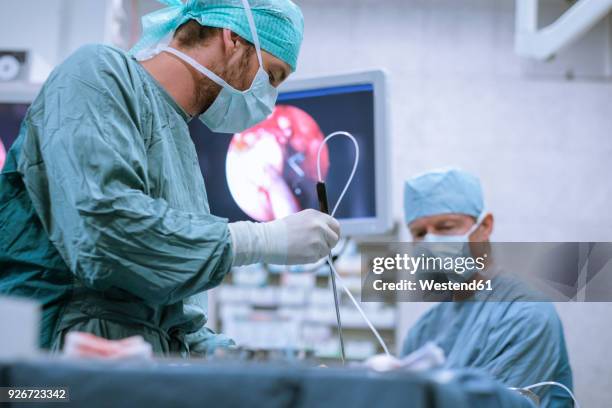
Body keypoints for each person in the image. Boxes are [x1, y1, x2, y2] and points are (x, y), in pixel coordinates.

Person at [0, 0, 340, 356]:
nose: (269, 99)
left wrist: (249, 366)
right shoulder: (97, 74)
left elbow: (173, 322)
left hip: (132, 373)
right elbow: (103, 233)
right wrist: (259, 239)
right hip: (57, 371)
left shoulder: (179, 146)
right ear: (233, 39)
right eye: (271, 75)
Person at [401, 168, 573, 407]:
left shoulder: (525, 312)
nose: (430, 242)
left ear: (485, 226)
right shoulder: (423, 331)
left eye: (446, 227)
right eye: (419, 233)